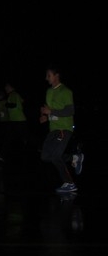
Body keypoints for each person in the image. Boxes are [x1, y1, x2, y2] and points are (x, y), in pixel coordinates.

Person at [39, 64, 82, 194]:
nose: (46, 78)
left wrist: (51, 111)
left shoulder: (65, 91)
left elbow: (70, 111)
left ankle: (69, 183)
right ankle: (74, 157)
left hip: (64, 128)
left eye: (49, 75)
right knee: (45, 156)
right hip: (53, 129)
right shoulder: (49, 91)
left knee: (56, 156)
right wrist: (45, 117)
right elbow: (49, 109)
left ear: (56, 76)